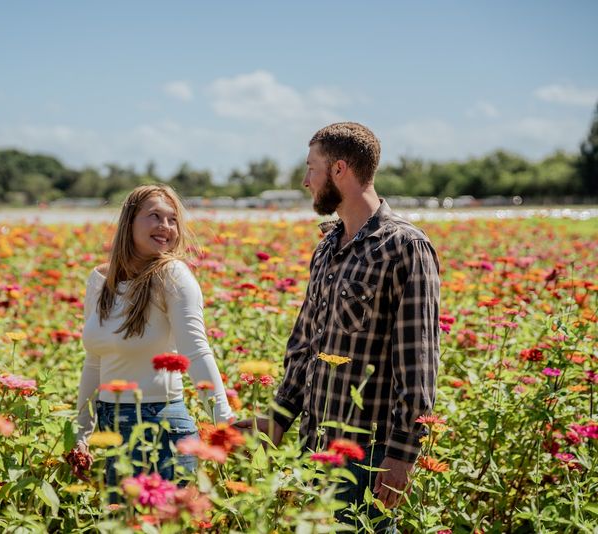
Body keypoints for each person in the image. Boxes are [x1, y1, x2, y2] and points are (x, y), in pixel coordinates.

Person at [235, 122, 440, 524]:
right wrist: (278, 418)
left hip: (368, 454)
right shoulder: (328, 247)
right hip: (316, 446)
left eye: (312, 168)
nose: (305, 180)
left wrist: (401, 456)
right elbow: (304, 347)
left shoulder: (404, 246)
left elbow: (418, 363)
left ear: (340, 170)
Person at [71, 184, 235, 488]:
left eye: (173, 220)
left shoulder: (172, 275)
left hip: (159, 424)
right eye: (155, 216)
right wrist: (82, 434)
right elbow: (94, 362)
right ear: (129, 221)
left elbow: (196, 351)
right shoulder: (99, 281)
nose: (166, 227)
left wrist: (223, 419)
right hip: (110, 425)